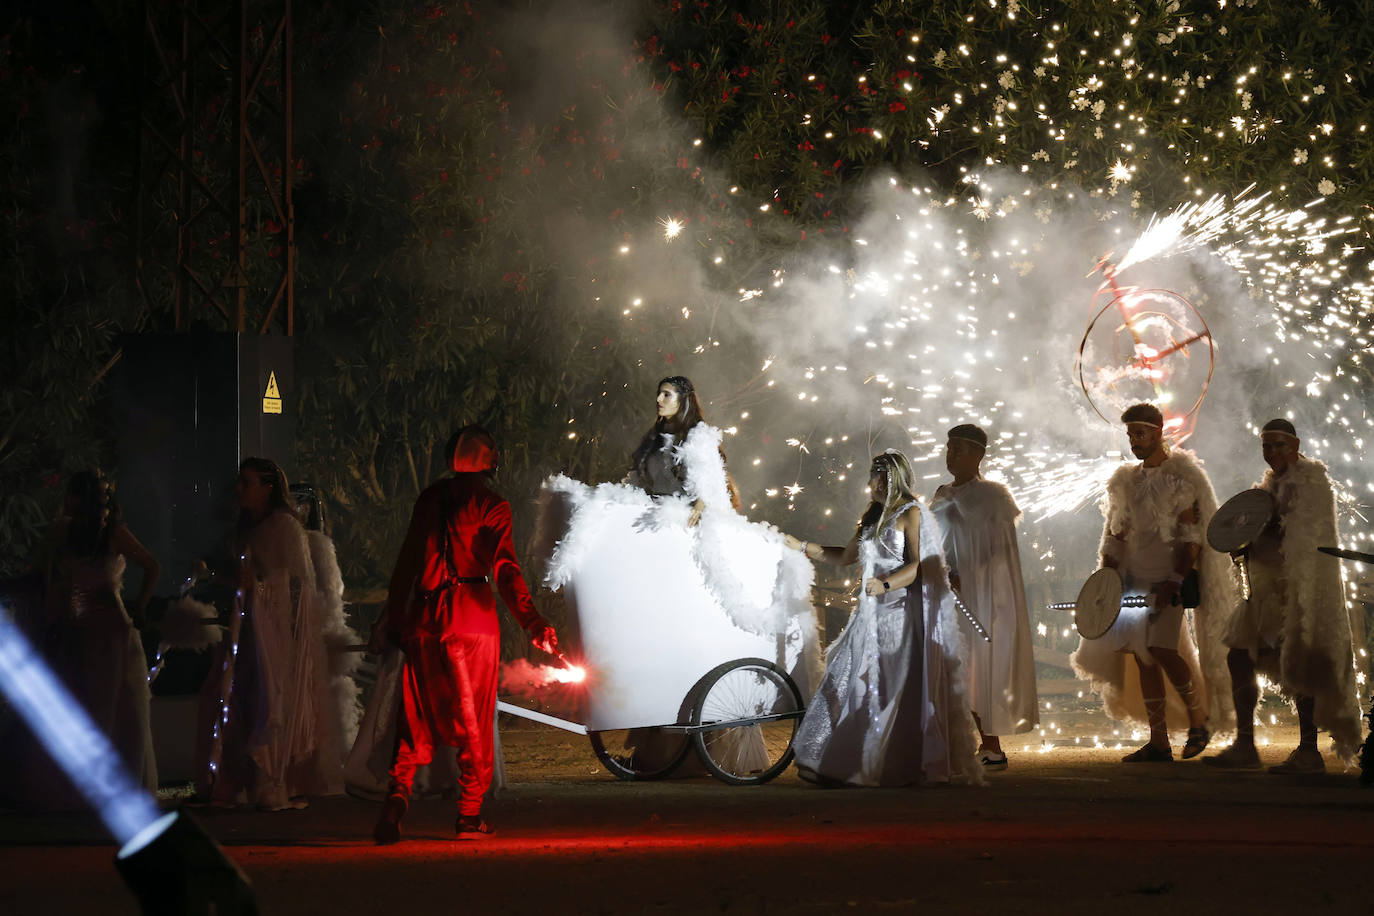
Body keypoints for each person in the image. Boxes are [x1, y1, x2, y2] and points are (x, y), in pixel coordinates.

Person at [369, 426, 559, 843]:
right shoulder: (492, 504)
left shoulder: (429, 499)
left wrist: (393, 617)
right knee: (473, 719)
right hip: (471, 620)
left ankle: (397, 796)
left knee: (416, 712)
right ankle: (469, 815)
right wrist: (533, 623)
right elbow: (505, 570)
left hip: (424, 617)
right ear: (490, 461)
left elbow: (405, 564)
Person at [783, 450, 980, 787]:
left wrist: (886, 583)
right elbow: (845, 556)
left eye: (878, 476)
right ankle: (833, 757)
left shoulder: (911, 513)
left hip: (897, 614)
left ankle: (881, 760)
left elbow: (916, 565)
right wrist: (801, 546)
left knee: (884, 686)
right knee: (846, 678)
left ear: (893, 479)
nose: (871, 482)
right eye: (872, 475)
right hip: (868, 612)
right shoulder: (873, 516)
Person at [1071, 404, 1234, 763]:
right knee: (1144, 658)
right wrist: (1109, 579)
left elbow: (1192, 535)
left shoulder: (1180, 477)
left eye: (1140, 434)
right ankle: (1159, 742)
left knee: (1162, 650)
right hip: (1133, 583)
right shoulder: (1126, 480)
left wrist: (1176, 579)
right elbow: (1116, 534)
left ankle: (1199, 723)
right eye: (1130, 435)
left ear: (1159, 432)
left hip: (1168, 582)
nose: (1134, 441)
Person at [195, 457, 359, 810]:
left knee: (271, 698)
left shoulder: (285, 527)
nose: (239, 490)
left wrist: (266, 595)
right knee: (242, 696)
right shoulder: (249, 529)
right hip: (252, 629)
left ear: (268, 488)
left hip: (277, 634)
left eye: (247, 482)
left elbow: (299, 586)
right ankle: (240, 777)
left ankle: (274, 776)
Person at [1205, 419, 1364, 773]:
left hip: (1296, 591)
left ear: (1295, 444)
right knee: (1240, 658)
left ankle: (1309, 751)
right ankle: (1246, 745)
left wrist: (1264, 528)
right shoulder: (1268, 487)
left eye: (1278, 445)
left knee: (1299, 660)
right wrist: (1242, 543)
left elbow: (1306, 535)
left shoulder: (1312, 481)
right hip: (1265, 591)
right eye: (1266, 446)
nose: (1272, 452)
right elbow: (1260, 532)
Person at [41, 470, 160, 796]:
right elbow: (51, 581)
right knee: (91, 705)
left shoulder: (111, 533)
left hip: (109, 633)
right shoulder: (64, 533)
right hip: (82, 631)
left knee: (113, 706)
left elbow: (152, 566)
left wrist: (140, 608)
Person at [929, 425, 1038, 769]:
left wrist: (967, 574)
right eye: (949, 448)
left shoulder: (993, 497)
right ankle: (950, 743)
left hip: (979, 596)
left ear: (978, 455)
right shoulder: (942, 493)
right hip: (942, 593)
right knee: (949, 665)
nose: (951, 455)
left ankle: (991, 745)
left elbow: (999, 554)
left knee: (975, 666)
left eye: (959, 449)